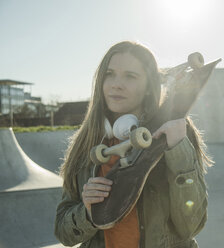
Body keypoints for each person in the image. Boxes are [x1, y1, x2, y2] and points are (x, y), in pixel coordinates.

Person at [54, 41, 212, 248]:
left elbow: (192, 225)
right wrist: (88, 213)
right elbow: (63, 233)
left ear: (148, 87)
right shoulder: (87, 142)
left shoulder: (173, 130)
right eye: (110, 74)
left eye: (130, 76)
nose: (116, 84)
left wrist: (178, 149)